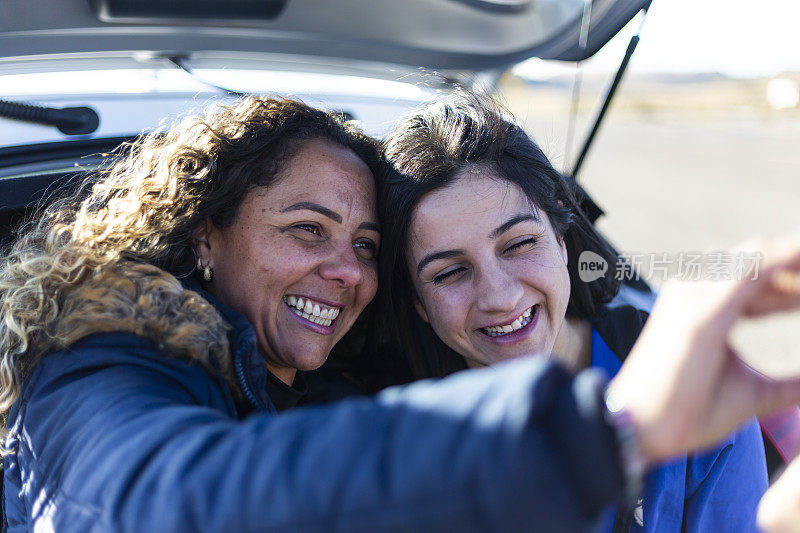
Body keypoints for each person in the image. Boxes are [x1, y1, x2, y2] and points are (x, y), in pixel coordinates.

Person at [0, 94, 799, 532]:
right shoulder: (96, 360)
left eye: (364, 243)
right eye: (306, 229)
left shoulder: (311, 382)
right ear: (205, 233)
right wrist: (615, 429)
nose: (343, 269)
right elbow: (166, 502)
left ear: (563, 231)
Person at [376, 92, 768, 531]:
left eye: (520, 244)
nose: (500, 297)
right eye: (450, 272)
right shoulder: (393, 450)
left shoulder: (695, 387)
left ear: (562, 239)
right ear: (418, 304)